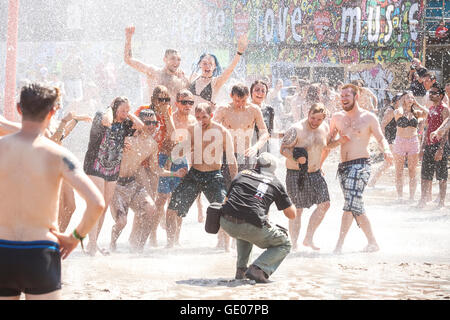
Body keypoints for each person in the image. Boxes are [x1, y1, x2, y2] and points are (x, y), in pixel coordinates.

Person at [0, 83, 105, 300]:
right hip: (40, 249)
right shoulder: (58, 155)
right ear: (53, 111)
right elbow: (97, 203)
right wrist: (75, 237)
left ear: (19, 109)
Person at [327, 84, 393, 254]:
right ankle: (372, 243)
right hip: (343, 168)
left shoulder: (369, 118)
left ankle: (338, 246)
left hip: (362, 165)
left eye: (347, 96)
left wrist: (386, 151)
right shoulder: (336, 117)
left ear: (356, 97)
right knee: (354, 204)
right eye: (341, 96)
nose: (343, 99)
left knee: (350, 203)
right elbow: (327, 144)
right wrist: (338, 142)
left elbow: (381, 138)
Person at [109, 109, 187, 253]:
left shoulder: (152, 144)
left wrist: (174, 173)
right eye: (148, 122)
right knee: (121, 222)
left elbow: (156, 169)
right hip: (115, 184)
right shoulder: (126, 137)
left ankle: (139, 249)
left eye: (154, 123)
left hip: (132, 183)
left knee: (152, 210)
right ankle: (112, 245)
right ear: (139, 123)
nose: (151, 126)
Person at [166, 103, 238, 248]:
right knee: (172, 208)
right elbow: (182, 150)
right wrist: (172, 158)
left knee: (223, 210)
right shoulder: (193, 130)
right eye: (198, 117)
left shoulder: (222, 132)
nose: (201, 120)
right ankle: (171, 244)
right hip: (195, 174)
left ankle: (224, 247)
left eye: (204, 117)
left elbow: (231, 159)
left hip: (213, 175)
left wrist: (236, 184)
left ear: (211, 116)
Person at [219, 152, 296, 283]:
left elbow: (226, 201)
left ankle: (241, 271)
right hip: (250, 226)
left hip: (226, 222)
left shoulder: (242, 174)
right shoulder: (275, 183)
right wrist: (287, 198)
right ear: (274, 171)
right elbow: (292, 215)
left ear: (256, 164)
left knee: (244, 224)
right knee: (285, 244)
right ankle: (259, 269)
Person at [83, 97, 145, 256]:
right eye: (122, 110)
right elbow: (106, 121)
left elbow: (140, 126)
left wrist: (128, 113)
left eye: (127, 110)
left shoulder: (124, 124)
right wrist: (111, 108)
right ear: (114, 108)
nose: (125, 114)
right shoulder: (101, 115)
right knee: (96, 204)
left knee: (103, 208)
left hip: (112, 169)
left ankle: (93, 242)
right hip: (95, 165)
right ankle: (90, 244)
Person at [214, 84, 270, 249]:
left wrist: (256, 147)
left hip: (246, 156)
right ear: (231, 96)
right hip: (225, 157)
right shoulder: (223, 109)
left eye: (244, 101)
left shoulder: (253, 110)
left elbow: (265, 132)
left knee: (243, 197)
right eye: (238, 101)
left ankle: (235, 239)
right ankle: (221, 239)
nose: (240, 104)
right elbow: (211, 128)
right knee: (225, 197)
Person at [280, 103, 331, 251]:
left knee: (325, 204)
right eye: (313, 118)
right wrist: (296, 159)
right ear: (308, 113)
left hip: (315, 172)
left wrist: (320, 164)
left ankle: (308, 238)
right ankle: (294, 245)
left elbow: (325, 147)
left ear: (323, 118)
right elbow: (283, 149)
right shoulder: (296, 129)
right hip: (296, 174)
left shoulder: (325, 128)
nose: (315, 122)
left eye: (319, 119)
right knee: (298, 209)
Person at [150, 89, 197, 247]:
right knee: (161, 199)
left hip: (181, 161)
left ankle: (175, 239)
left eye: (190, 102)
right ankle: (153, 235)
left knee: (178, 200)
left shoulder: (193, 121)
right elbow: (165, 138)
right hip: (164, 157)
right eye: (184, 102)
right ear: (177, 103)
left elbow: (193, 144)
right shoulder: (171, 116)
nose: (187, 105)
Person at [124, 26, 189, 103]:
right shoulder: (154, 72)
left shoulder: (181, 79)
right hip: (154, 114)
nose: (176, 62)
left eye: (178, 59)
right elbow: (128, 60)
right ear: (164, 59)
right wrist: (128, 38)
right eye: (172, 59)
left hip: (172, 114)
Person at [189, 34, 248, 106]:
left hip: (206, 116)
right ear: (199, 64)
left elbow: (230, 70)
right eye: (204, 63)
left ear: (214, 67)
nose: (207, 66)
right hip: (190, 116)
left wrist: (239, 53)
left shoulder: (216, 82)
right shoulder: (193, 77)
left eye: (211, 64)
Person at [392, 92, 429, 201]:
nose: (410, 99)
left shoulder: (416, 113)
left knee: (412, 170)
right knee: (399, 171)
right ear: (403, 99)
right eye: (408, 97)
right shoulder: (398, 111)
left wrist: (417, 104)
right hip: (400, 141)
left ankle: (411, 197)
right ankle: (400, 197)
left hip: (413, 141)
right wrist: (402, 103)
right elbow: (398, 111)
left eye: (412, 97)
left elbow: (428, 113)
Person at [417, 84, 449, 209]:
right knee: (425, 175)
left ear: (441, 96)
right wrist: (422, 147)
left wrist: (441, 149)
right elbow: (427, 129)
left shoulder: (444, 109)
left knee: (442, 175)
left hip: (440, 145)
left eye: (434, 93)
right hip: (428, 146)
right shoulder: (431, 109)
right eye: (430, 92)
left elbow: (446, 131)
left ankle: (441, 202)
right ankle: (423, 200)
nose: (430, 95)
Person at [368, 93, 402, 187]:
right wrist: (383, 141)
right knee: (389, 162)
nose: (402, 101)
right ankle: (372, 182)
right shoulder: (390, 110)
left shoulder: (396, 110)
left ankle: (373, 181)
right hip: (389, 139)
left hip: (393, 139)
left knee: (391, 162)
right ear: (396, 101)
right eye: (401, 100)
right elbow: (382, 125)